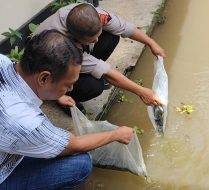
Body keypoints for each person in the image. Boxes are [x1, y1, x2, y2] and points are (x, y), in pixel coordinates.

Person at [0, 30, 133, 189]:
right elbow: (73, 144)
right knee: (80, 165)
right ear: (44, 78)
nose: (70, 89)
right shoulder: (25, 122)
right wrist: (115, 134)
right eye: (67, 84)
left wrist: (56, 94)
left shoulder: (3, 62)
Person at [34, 3, 165, 112]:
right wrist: (141, 92)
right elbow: (106, 72)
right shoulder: (63, 47)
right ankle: (62, 95)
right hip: (51, 70)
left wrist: (152, 44)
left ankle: (83, 71)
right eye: (91, 40)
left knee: (111, 36)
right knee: (94, 86)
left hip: (74, 48)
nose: (96, 41)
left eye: (97, 35)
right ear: (75, 37)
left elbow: (125, 28)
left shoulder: (91, 15)